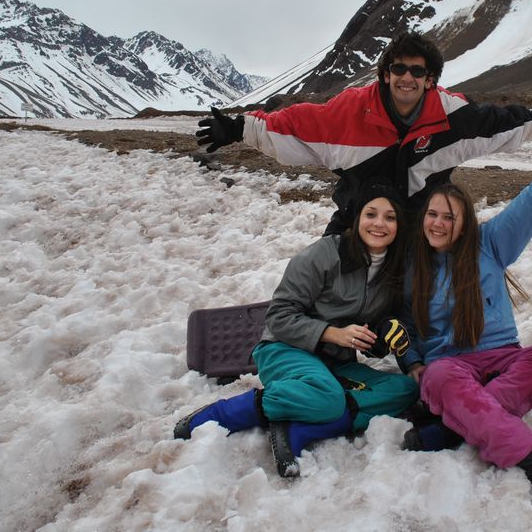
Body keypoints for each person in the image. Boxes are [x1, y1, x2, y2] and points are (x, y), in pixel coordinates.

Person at [396, 111, 532, 515]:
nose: (438, 223)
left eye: (449, 217)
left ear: (464, 222)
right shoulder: (413, 267)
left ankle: (455, 427)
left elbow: (530, 205)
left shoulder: (489, 244)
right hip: (450, 367)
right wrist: (413, 362)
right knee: (439, 378)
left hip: (504, 359)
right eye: (433, 215)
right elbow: (404, 323)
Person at [196, 31, 532, 234]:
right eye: (399, 69)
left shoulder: (452, 115)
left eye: (417, 71)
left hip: (420, 230)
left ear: (430, 79)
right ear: (386, 74)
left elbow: (494, 123)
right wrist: (239, 127)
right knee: (323, 286)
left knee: (422, 305)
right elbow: (297, 123)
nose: (407, 77)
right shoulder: (351, 110)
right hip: (358, 225)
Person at [173, 179, 418, 477]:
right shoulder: (323, 255)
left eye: (390, 217)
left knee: (404, 389)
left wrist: (385, 333)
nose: (379, 224)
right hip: (285, 348)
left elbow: (373, 334)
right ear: (356, 218)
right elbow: (278, 316)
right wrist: (333, 334)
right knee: (329, 398)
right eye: (371, 214)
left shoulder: (394, 269)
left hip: (334, 363)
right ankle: (221, 413)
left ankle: (298, 427)